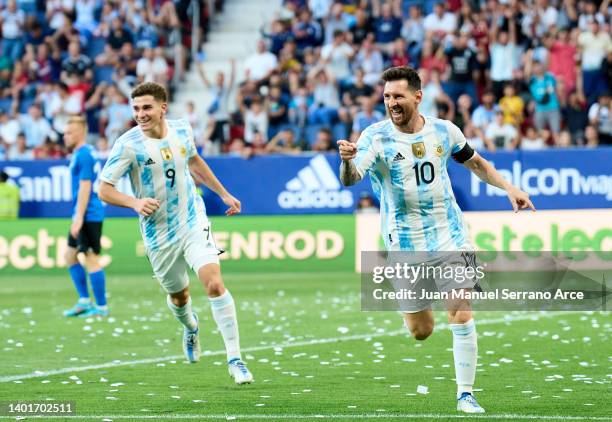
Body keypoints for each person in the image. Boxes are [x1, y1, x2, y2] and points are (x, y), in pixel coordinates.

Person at [337, 66, 535, 414]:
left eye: (397, 96)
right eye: (386, 97)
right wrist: (347, 162)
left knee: (459, 309)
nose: (391, 103)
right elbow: (353, 178)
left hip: (450, 236)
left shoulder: (445, 131)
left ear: (417, 96)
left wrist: (509, 188)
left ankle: (466, 394)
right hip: (404, 244)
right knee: (421, 331)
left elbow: (476, 164)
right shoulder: (374, 137)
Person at [98, 82, 253, 384]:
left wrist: (223, 194)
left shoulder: (182, 130)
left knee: (214, 283)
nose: (140, 114)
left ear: (162, 108)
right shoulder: (128, 145)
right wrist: (135, 202)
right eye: (136, 109)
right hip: (159, 234)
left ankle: (235, 358)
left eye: (146, 108)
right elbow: (103, 188)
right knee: (179, 296)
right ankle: (191, 328)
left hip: (192, 220)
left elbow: (194, 161)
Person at [62, 116, 108, 318]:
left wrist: (78, 217)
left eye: (69, 133)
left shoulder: (84, 155)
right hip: (83, 214)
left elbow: (85, 186)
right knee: (70, 255)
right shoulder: (82, 153)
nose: (65, 136)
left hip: (88, 214)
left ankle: (101, 307)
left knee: (90, 258)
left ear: (80, 133)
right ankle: (83, 301)